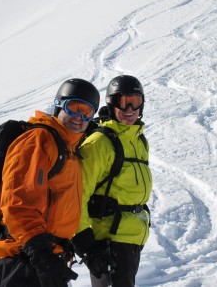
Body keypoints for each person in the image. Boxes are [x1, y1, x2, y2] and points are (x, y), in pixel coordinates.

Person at [0, 78, 100, 287]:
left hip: (50, 257)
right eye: (73, 107)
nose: (79, 117)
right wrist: (40, 255)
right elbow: (18, 202)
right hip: (25, 259)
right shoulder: (39, 139)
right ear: (58, 105)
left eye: (87, 112)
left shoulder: (70, 149)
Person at [72, 75, 153, 287]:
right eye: (122, 101)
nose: (129, 109)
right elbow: (78, 194)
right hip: (108, 240)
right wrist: (86, 244)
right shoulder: (100, 142)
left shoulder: (139, 140)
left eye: (135, 102)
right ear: (111, 103)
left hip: (132, 236)